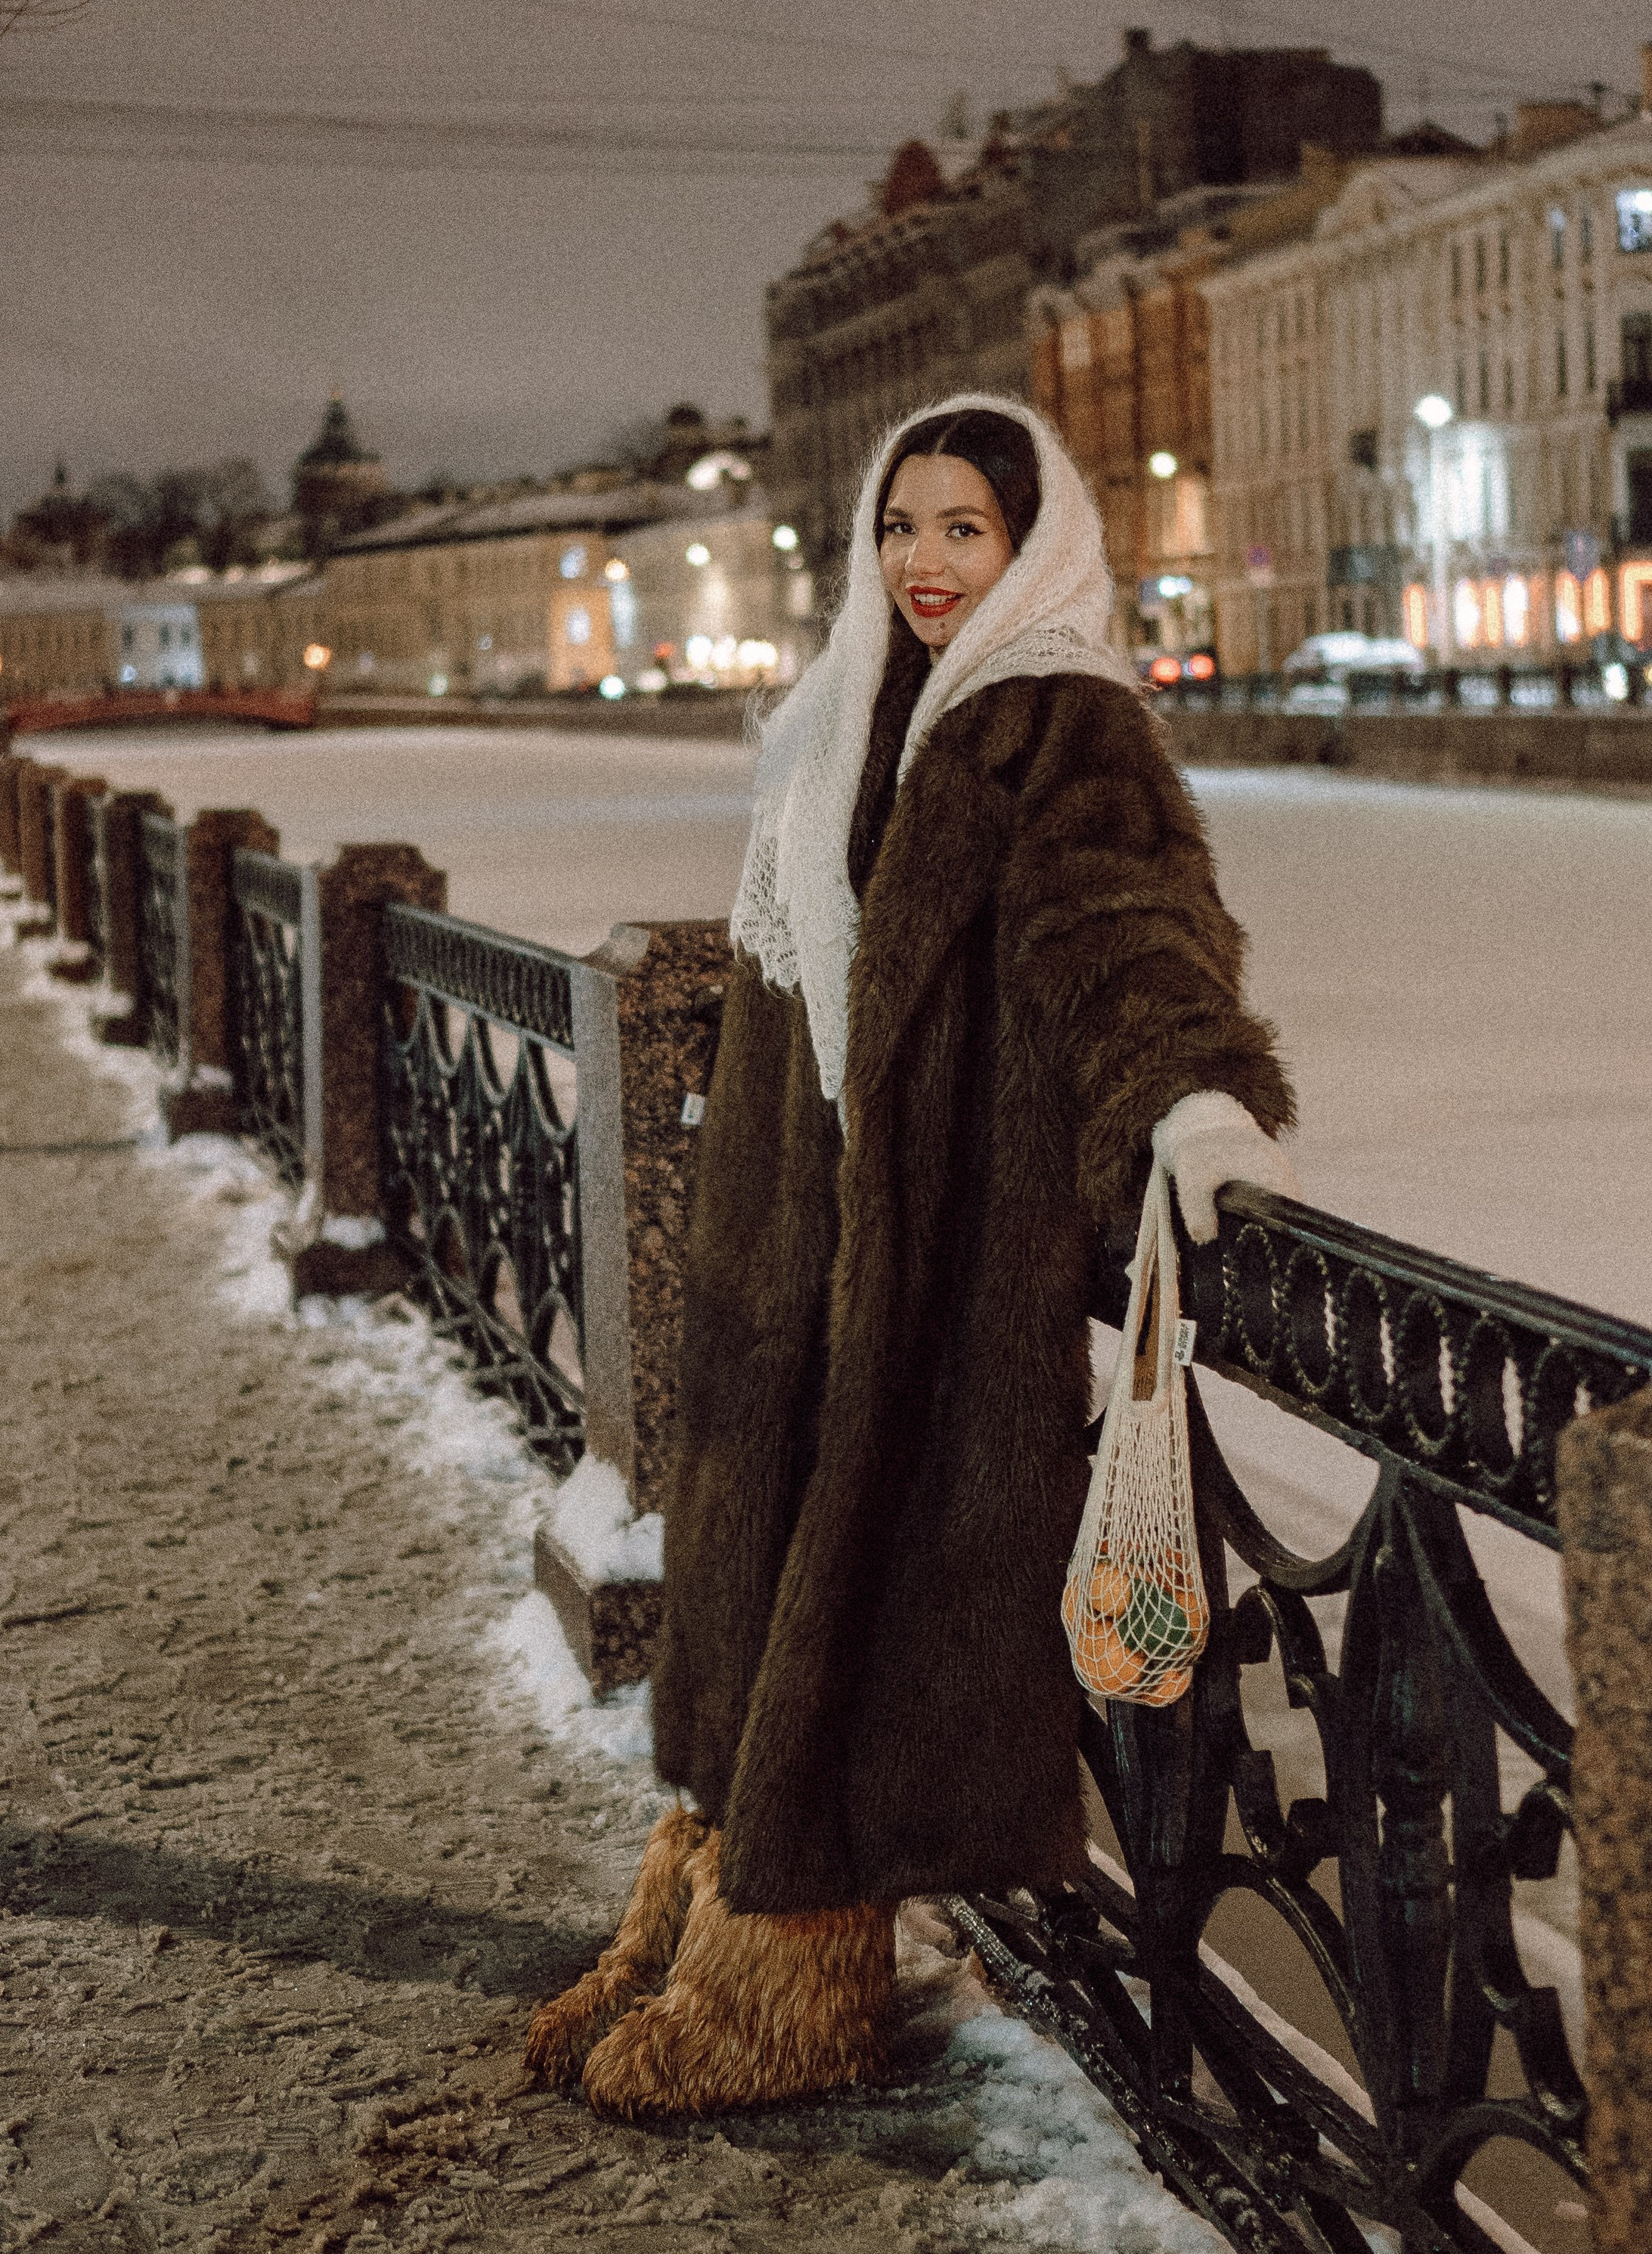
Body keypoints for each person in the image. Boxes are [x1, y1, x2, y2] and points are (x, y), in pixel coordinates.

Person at [525, 392, 1294, 2117]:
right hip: (797, 1247)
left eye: (965, 528)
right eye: (900, 526)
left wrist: (1189, 1102)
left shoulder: (1059, 722)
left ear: (1035, 544)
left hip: (937, 1265)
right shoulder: (843, 709)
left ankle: (785, 1992)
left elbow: (1126, 929)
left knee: (860, 1621)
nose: (925, 561)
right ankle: (696, 1914)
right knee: (775, 1596)